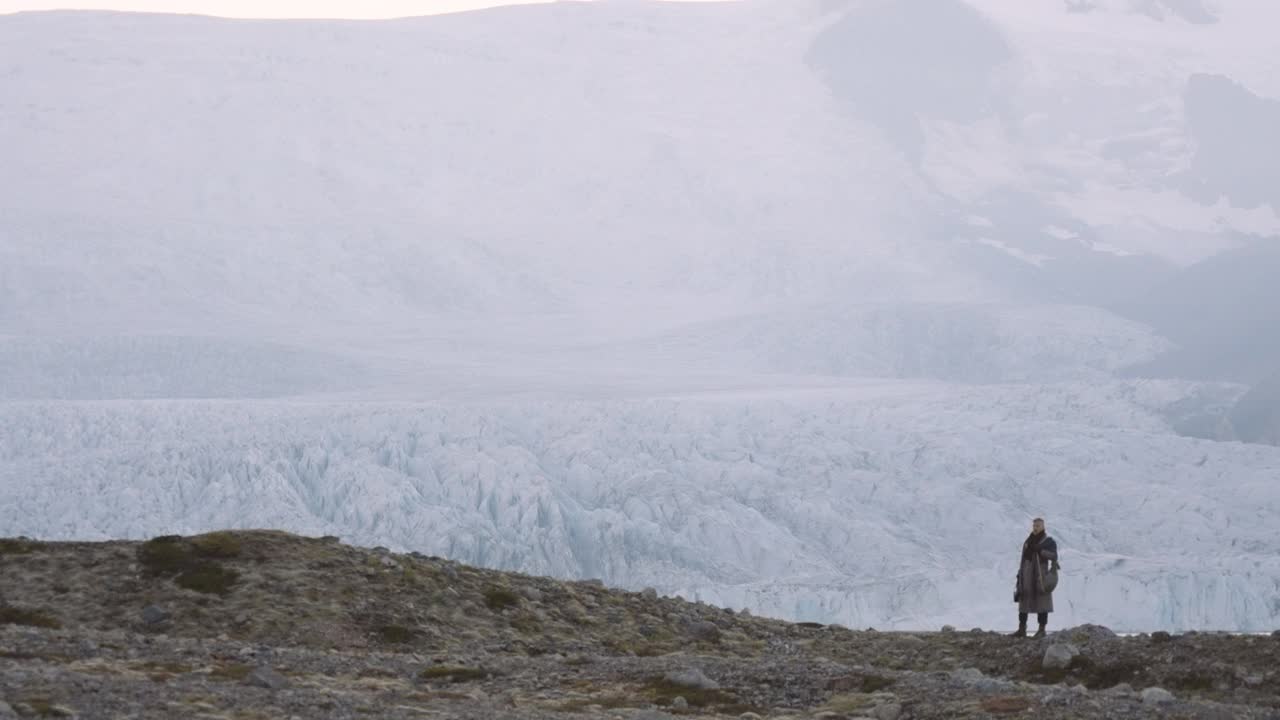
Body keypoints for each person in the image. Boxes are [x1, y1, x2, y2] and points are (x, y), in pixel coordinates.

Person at [1012, 517, 1058, 638]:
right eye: (1034, 526)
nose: (1035, 528)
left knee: (1042, 604)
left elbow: (1053, 556)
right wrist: (1020, 575)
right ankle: (1022, 629)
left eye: (1038, 526)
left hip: (1040, 578)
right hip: (1026, 576)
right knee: (1024, 603)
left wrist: (1041, 551)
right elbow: (1023, 559)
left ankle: (1041, 630)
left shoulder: (1048, 541)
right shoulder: (1028, 541)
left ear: (1043, 526)